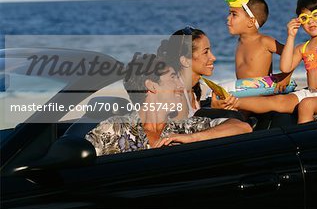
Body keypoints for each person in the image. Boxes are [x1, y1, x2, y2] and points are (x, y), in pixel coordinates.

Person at [85, 54, 252, 156]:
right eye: (173, 78)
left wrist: (191, 138)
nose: (180, 86)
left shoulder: (182, 128)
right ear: (152, 86)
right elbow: (73, 160)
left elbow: (242, 127)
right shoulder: (114, 129)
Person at [158, 27, 238, 117]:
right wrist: (214, 113)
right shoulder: (177, 95)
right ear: (185, 61)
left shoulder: (194, 90)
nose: (213, 58)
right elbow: (181, 130)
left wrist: (214, 110)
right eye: (205, 52)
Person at [225, 0, 292, 92]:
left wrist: (286, 76)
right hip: (244, 93)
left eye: (234, 14)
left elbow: (292, 54)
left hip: (261, 94)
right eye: (229, 13)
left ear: (251, 22)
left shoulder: (264, 41)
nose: (228, 18)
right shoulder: (240, 41)